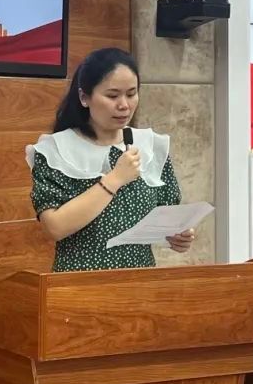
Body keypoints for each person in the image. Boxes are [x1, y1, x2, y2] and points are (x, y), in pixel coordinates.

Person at [26, 47, 195, 272]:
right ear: (84, 97)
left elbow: (167, 217)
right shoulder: (55, 150)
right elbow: (55, 227)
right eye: (112, 96)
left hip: (139, 282)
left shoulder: (151, 146)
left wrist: (178, 236)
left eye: (131, 94)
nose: (124, 105)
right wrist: (115, 178)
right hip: (79, 282)